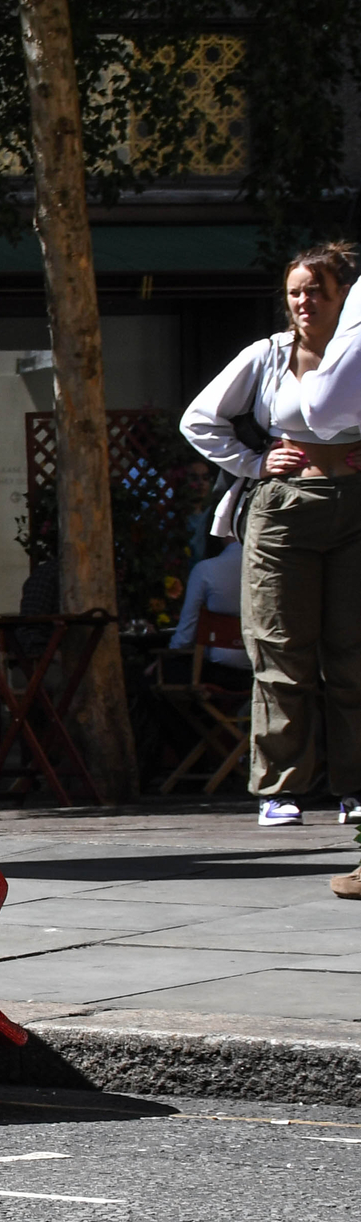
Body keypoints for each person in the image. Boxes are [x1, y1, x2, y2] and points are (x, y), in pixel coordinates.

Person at [182, 240, 361, 828]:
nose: (304, 301)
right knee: (281, 646)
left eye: (317, 290)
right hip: (284, 507)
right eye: (295, 292)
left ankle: (354, 787)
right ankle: (279, 788)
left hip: (355, 505)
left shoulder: (358, 351)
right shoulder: (266, 356)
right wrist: (253, 462)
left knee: (352, 650)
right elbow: (199, 419)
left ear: (344, 296)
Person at [167, 537, 250, 673]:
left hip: (217, 668)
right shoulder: (272, 569)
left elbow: (185, 637)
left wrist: (168, 656)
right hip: (265, 666)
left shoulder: (205, 569)